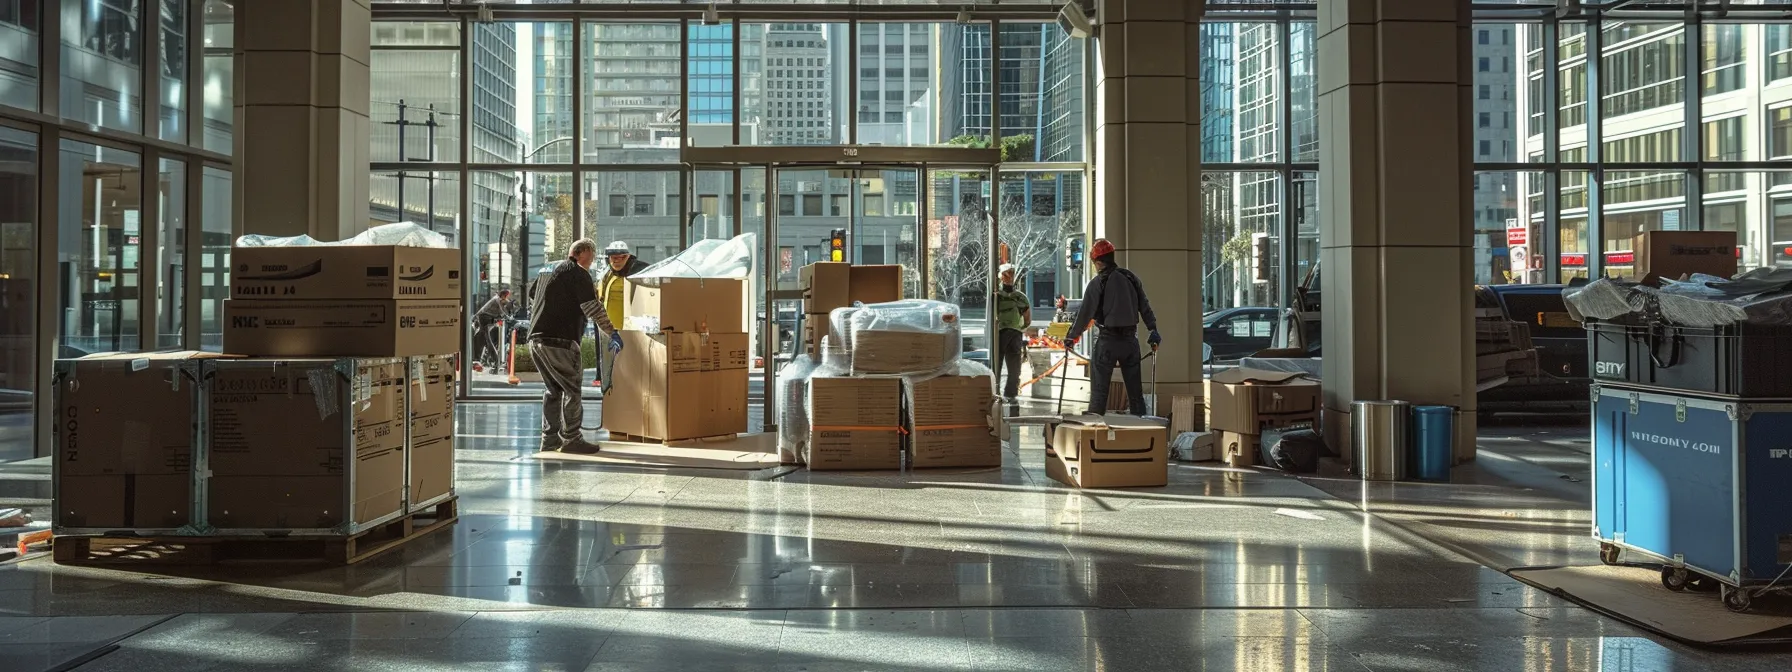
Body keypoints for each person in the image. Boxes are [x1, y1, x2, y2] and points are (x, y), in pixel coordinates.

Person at [1062, 239, 1161, 417]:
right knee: (1135, 395)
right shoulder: (1131, 278)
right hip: (1131, 342)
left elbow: (1085, 314)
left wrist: (1071, 337)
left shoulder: (1097, 283)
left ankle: (1094, 434)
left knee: (1099, 394)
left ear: (1098, 262)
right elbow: (1145, 307)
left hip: (1108, 342)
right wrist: (1153, 330)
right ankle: (1143, 431)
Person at [527, 239, 607, 454]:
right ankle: (572, 438)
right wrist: (612, 331)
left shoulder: (548, 268)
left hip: (536, 339)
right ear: (582, 253)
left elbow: (533, 294)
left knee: (553, 390)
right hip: (560, 340)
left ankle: (549, 439)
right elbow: (592, 307)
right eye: (592, 254)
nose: (592, 260)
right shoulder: (577, 272)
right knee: (572, 390)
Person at [592, 241, 648, 392]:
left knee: (627, 364)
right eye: (612, 258)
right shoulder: (606, 274)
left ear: (627, 257)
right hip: (607, 328)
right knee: (607, 363)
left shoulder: (637, 274)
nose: (615, 261)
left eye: (620, 257)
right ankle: (608, 389)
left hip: (628, 329)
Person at [994, 263, 1031, 413]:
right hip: (1000, 334)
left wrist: (1019, 329)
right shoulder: (996, 296)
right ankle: (996, 391)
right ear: (1000, 277)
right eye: (1006, 274)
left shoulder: (1020, 298)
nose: (1009, 277)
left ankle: (1010, 394)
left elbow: (1028, 319)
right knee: (997, 365)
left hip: (1014, 335)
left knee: (1014, 368)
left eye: (1011, 274)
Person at [473, 289, 516, 367]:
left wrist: (509, 305)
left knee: (484, 338)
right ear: (503, 295)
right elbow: (501, 311)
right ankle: (495, 359)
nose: (506, 297)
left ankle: (484, 358)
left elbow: (506, 305)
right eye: (506, 296)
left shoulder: (498, 299)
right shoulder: (496, 300)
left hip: (485, 318)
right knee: (487, 339)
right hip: (484, 318)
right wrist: (508, 317)